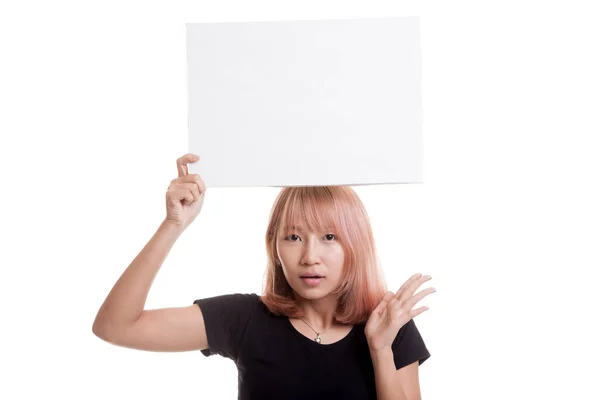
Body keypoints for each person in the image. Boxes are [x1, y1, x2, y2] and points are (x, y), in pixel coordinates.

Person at [93, 153, 435, 400]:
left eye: (329, 237)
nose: (309, 257)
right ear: (274, 246)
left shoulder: (388, 324)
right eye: (293, 237)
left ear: (355, 245)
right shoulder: (244, 319)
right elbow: (115, 326)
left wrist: (381, 349)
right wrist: (173, 225)